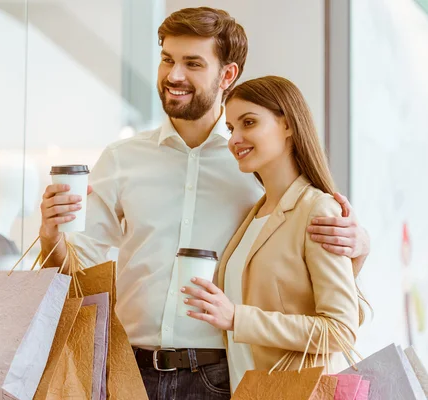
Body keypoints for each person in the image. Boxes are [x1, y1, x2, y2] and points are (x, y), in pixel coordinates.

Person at [39, 7, 370, 400]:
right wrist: (49, 236)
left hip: (222, 376)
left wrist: (360, 243)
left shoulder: (252, 164)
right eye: (167, 60)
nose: (174, 75)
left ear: (227, 74)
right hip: (127, 372)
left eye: (192, 63)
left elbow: (308, 266)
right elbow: (78, 270)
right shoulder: (122, 159)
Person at [183, 76, 365, 393]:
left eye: (248, 123)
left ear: (288, 125)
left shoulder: (317, 210)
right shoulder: (255, 214)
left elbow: (339, 330)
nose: (234, 139)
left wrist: (237, 318)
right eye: (230, 128)